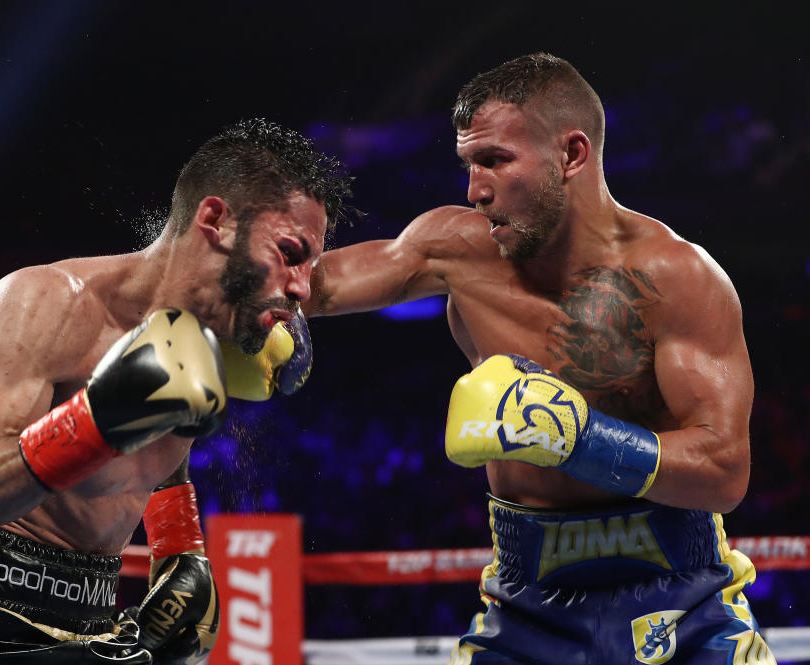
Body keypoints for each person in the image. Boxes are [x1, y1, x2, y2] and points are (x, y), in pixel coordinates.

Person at [307, 53, 774, 664]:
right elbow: (310, 284)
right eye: (469, 164)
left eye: (495, 160)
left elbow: (724, 471)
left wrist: (579, 439)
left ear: (571, 155)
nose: (474, 189)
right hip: (526, 607)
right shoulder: (454, 248)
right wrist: (238, 301)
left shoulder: (677, 277)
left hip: (684, 604)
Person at [0, 118, 351, 664]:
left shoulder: (205, 339)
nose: (300, 286)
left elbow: (153, 441)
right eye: (291, 252)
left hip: (95, 623)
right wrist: (102, 417)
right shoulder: (47, 301)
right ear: (217, 220)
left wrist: (181, 551)